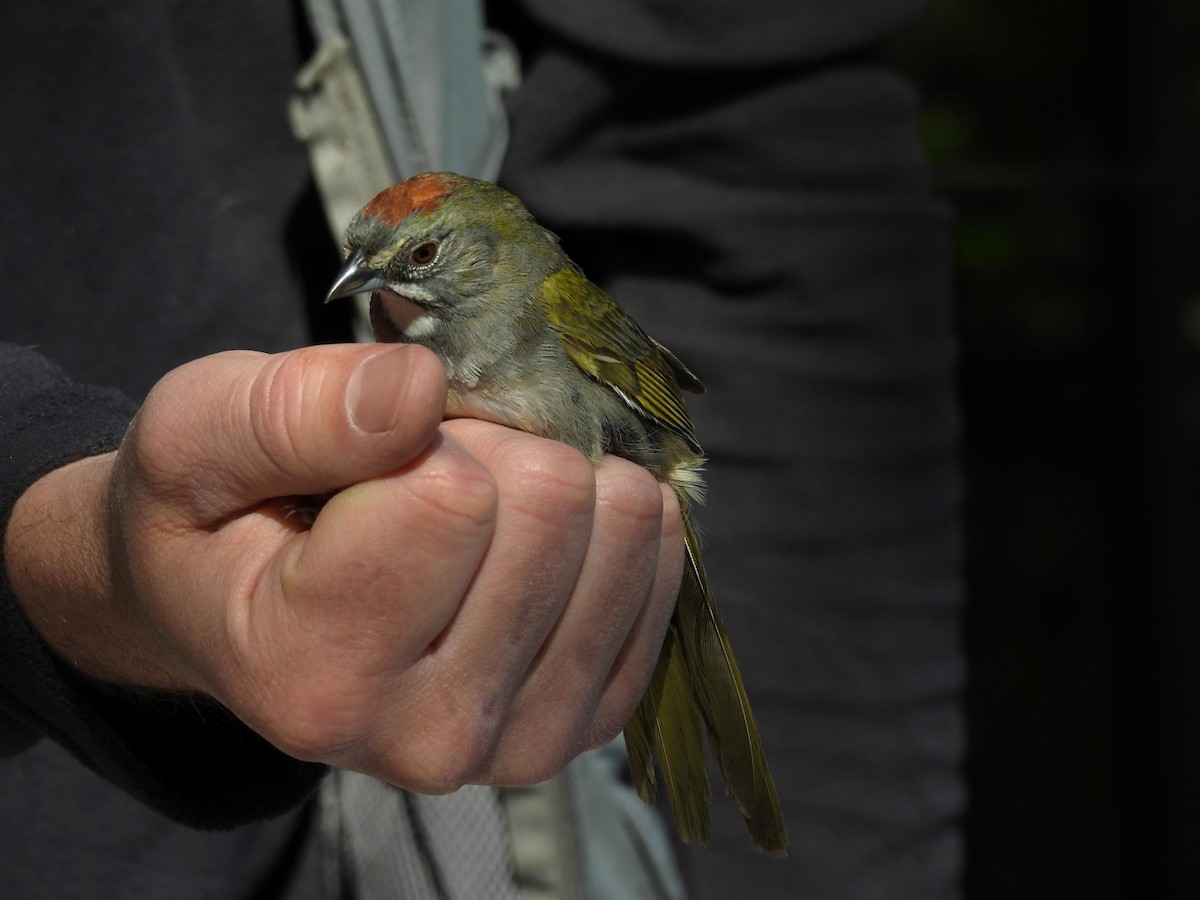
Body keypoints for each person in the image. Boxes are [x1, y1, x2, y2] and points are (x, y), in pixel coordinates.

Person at [1, 2, 963, 898]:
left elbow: (670, 354)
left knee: (673, 659)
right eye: (370, 262)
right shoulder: (414, 332)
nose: (379, 281)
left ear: (481, 253)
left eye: (417, 258)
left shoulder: (547, 302)